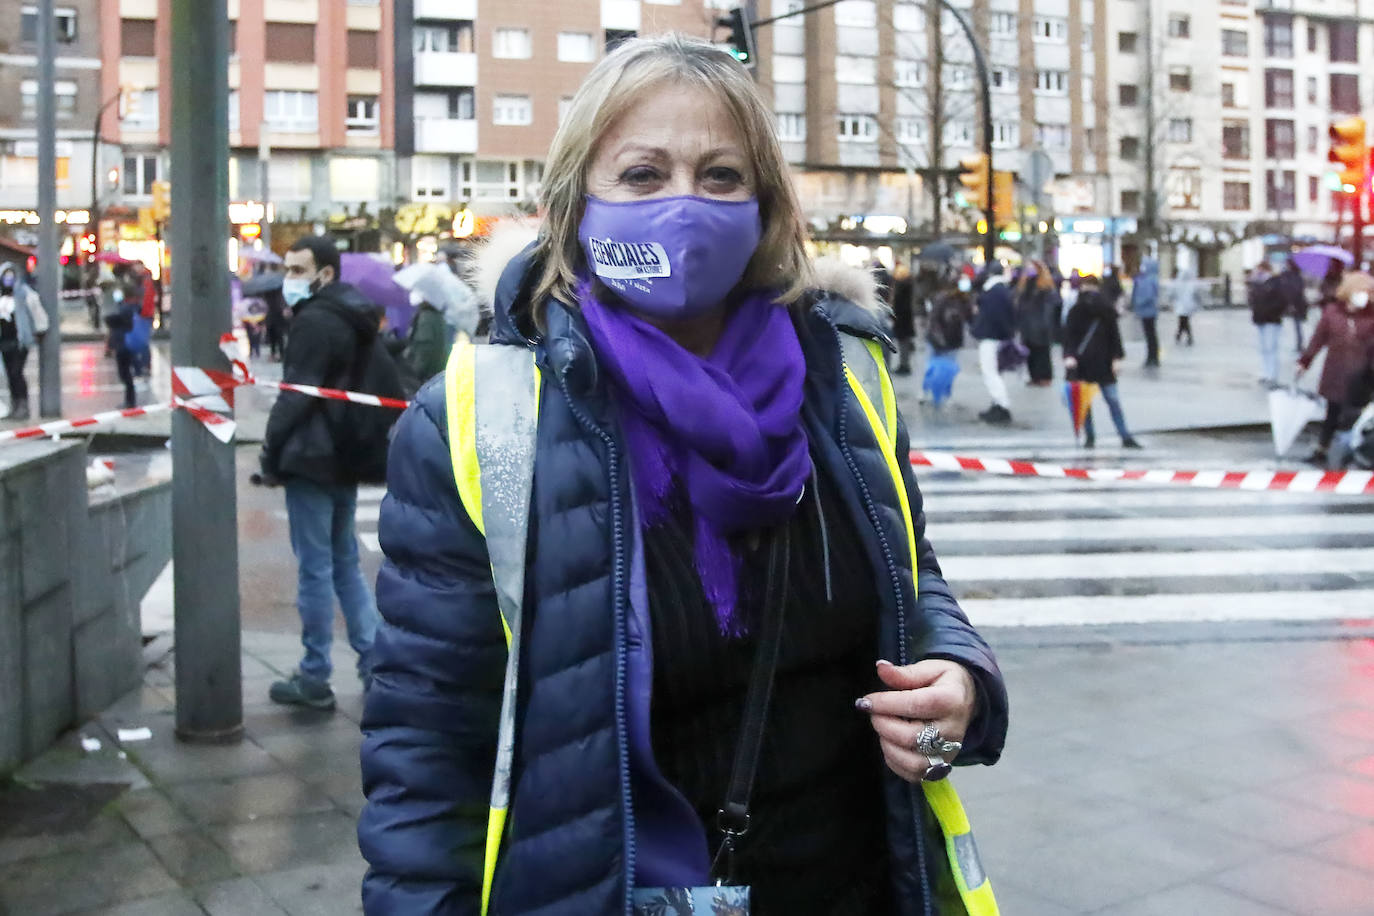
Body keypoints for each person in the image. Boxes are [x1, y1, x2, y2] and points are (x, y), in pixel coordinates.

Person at [358, 35, 1008, 915]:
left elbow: (912, 579)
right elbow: (428, 751)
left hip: (852, 883)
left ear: (765, 202)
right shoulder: (484, 416)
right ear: (575, 201)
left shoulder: (842, 378)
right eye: (641, 175)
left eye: (720, 177)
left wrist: (961, 678)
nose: (683, 207)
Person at [259, 235, 382, 711]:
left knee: (315, 568)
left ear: (324, 273)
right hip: (345, 454)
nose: (288, 278)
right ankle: (373, 661)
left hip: (311, 457)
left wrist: (271, 453)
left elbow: (297, 394)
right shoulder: (354, 315)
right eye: (287, 268)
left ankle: (315, 675)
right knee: (344, 561)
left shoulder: (314, 321)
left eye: (296, 270)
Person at [1296, 271, 1374, 466]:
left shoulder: (1371, 315)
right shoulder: (1332, 312)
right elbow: (1318, 339)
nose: (1365, 295)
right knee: (1332, 413)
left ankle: (1354, 451)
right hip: (1336, 371)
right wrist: (1305, 361)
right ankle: (1322, 449)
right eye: (1361, 290)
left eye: (1368, 291)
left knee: (1356, 416)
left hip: (1363, 375)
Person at [1063, 276, 1141, 449]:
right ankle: (1122, 436)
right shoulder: (1102, 309)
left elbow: (1069, 336)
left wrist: (1069, 356)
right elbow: (1114, 336)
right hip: (1100, 362)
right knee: (1110, 401)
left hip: (1085, 362)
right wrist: (1116, 358)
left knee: (1093, 402)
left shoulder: (1079, 309)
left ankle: (1094, 437)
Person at [0, 262, 48, 420]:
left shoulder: (25, 293)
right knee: (9, 374)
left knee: (16, 372)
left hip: (20, 341)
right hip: (4, 341)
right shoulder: (2, 296)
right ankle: (15, 405)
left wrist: (39, 330)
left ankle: (23, 405)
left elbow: (37, 312)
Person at [971, 262, 1016, 423]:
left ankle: (1002, 405)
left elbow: (993, 316)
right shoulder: (1002, 290)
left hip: (991, 337)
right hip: (998, 337)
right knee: (994, 373)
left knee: (990, 373)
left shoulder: (993, 292)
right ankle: (997, 403)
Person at [1015, 259, 1059, 386]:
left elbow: (1051, 305)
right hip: (1027, 325)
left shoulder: (1045, 287)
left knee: (1042, 352)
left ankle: (1045, 377)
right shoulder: (1024, 285)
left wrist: (1046, 323)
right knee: (1030, 352)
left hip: (1041, 325)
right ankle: (1034, 376)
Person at [399, 293, 450, 391]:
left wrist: (413, 374)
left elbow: (424, 348)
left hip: (424, 376)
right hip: (437, 373)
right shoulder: (439, 317)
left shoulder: (426, 317)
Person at [1249, 261, 1286, 388]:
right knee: (1264, 348)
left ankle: (1272, 373)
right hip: (1260, 319)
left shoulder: (1275, 283)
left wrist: (1271, 311)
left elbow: (1281, 301)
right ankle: (1265, 372)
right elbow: (1253, 299)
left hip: (1271, 320)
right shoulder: (1257, 284)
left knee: (1271, 348)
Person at [1130, 257, 1161, 367]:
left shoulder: (1148, 280)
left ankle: (1152, 357)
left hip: (1147, 311)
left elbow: (1147, 295)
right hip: (1149, 311)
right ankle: (1152, 357)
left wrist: (1138, 303)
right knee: (1150, 335)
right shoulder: (1150, 279)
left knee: (1150, 335)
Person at [889, 260, 916, 375]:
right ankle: (904, 364)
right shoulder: (909, 285)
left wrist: (894, 315)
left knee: (903, 343)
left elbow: (899, 305)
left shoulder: (902, 287)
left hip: (902, 320)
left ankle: (904, 365)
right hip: (905, 320)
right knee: (904, 343)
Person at [1171, 267, 1200, 346]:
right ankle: (1181, 336)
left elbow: (1173, 294)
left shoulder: (1178, 284)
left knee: (1183, 321)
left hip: (1181, 306)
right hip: (1187, 306)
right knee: (1184, 321)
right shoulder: (1190, 285)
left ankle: (1181, 336)